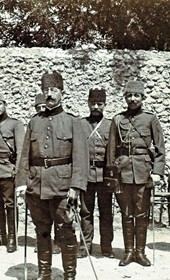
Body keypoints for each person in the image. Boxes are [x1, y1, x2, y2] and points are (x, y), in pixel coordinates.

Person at [16, 71, 88, 280]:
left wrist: (76, 186)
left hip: (63, 186)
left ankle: (70, 275)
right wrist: (22, 182)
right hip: (36, 186)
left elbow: (80, 158)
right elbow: (25, 156)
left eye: (54, 90)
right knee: (42, 230)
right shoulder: (34, 122)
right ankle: (44, 274)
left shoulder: (73, 122)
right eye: (46, 90)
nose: (49, 94)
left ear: (62, 93)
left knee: (66, 231)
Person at [106, 80, 165, 266]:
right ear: (125, 98)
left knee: (141, 214)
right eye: (129, 96)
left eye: (136, 95)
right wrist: (112, 175)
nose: (132, 99)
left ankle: (140, 252)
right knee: (126, 213)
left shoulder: (150, 119)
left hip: (143, 172)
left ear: (142, 97)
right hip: (123, 173)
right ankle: (128, 251)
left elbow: (160, 148)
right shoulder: (118, 119)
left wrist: (157, 172)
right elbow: (111, 150)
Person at [77, 88, 114, 258]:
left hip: (105, 176)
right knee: (86, 212)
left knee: (106, 213)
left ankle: (106, 247)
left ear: (105, 105)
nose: (96, 107)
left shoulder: (110, 125)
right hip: (86, 175)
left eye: (100, 104)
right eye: (93, 103)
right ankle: (85, 246)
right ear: (88, 104)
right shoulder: (81, 124)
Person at [34, 93, 61, 255]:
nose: (42, 110)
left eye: (44, 107)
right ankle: (43, 243)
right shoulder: (34, 124)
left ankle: (58, 242)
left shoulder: (58, 123)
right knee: (41, 217)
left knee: (58, 214)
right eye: (38, 108)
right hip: (38, 178)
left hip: (57, 176)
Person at [0, 94, 25, 253]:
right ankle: (1, 235)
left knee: (10, 205)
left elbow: (21, 150)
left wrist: (17, 170)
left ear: (5, 104)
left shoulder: (15, 124)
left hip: (8, 170)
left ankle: (11, 238)